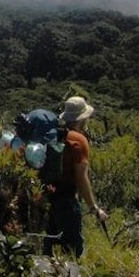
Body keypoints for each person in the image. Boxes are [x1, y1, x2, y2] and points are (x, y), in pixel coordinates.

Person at [43, 96, 108, 257]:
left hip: (47, 199)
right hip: (67, 201)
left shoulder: (53, 136)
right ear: (83, 118)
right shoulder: (79, 140)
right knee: (72, 251)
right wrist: (94, 208)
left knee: (48, 247)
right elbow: (81, 178)